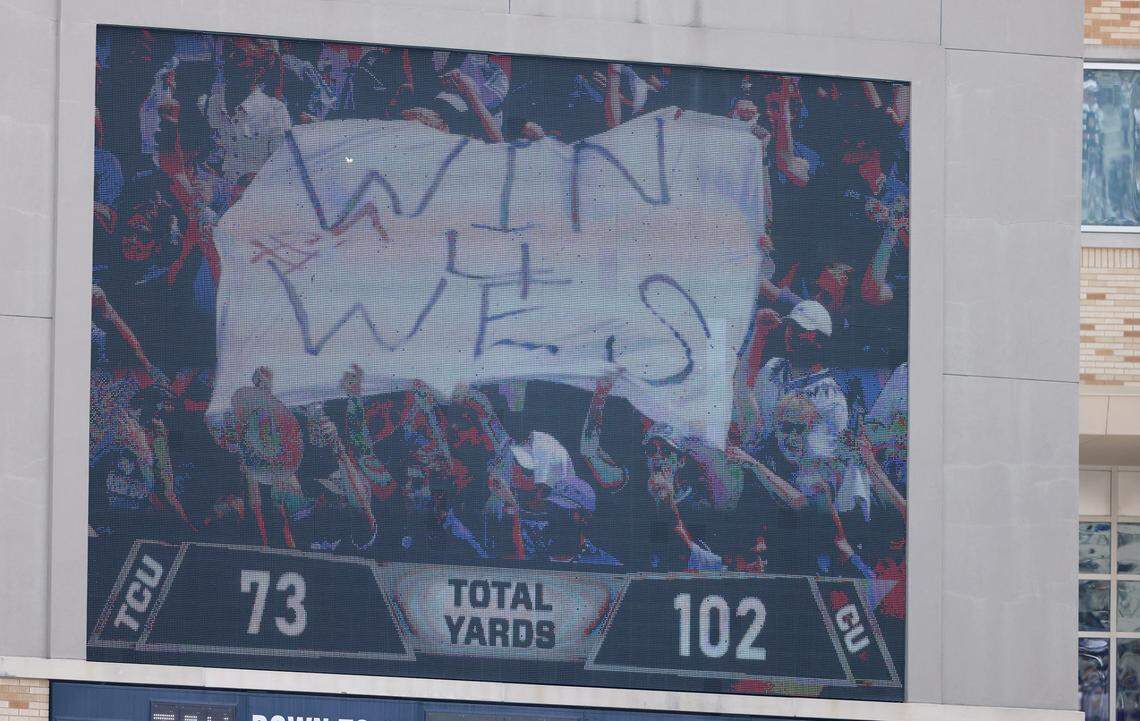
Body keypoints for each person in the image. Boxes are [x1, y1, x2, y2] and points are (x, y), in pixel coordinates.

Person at [204, 37, 292, 183]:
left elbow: (281, 168)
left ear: (259, 70)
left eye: (239, 55)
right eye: (229, 52)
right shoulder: (208, 104)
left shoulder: (275, 112)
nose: (230, 59)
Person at [542, 475, 620, 566]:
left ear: (586, 517)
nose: (557, 516)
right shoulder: (533, 552)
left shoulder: (606, 564)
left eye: (565, 511)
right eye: (553, 508)